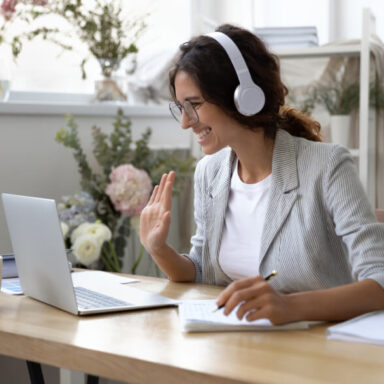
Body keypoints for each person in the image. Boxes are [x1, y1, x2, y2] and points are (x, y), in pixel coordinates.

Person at [139, 24, 384, 325]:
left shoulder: (327, 166)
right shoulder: (210, 173)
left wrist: (291, 307)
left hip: (316, 350)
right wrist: (159, 249)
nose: (186, 123)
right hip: (236, 345)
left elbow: (379, 284)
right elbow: (201, 270)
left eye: (196, 105)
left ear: (244, 96)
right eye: (181, 108)